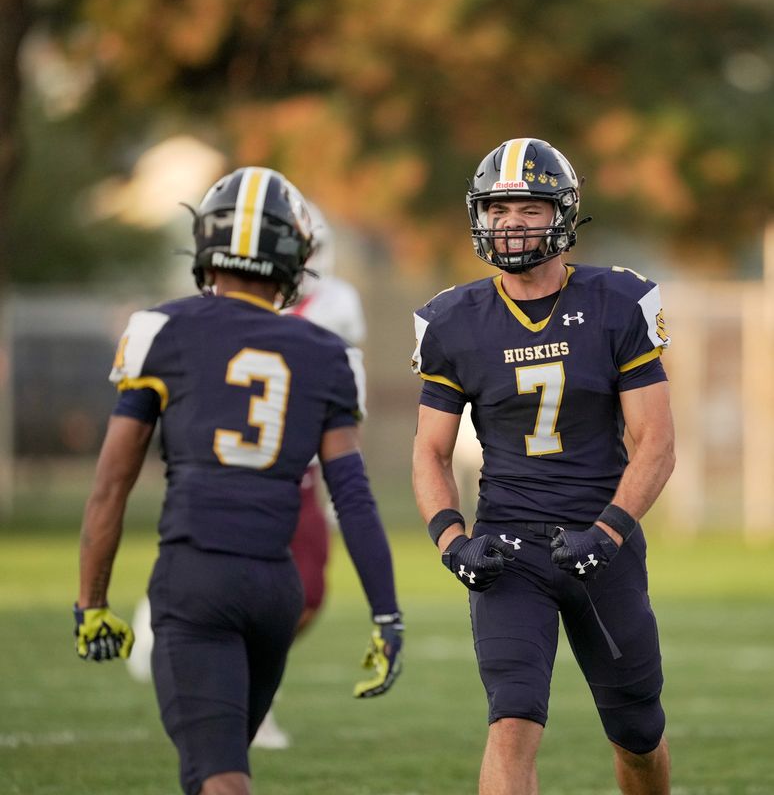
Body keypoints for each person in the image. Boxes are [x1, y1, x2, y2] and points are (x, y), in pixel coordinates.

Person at [74, 166, 403, 795]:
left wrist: (91, 604)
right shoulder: (328, 353)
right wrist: (386, 613)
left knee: (221, 780)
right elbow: (353, 496)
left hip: (197, 580)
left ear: (206, 244)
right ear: (295, 256)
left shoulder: (161, 330)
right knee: (216, 773)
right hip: (275, 590)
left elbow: (110, 484)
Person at [411, 138, 674, 795]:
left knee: (637, 734)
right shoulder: (452, 319)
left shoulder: (619, 302)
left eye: (527, 208)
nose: (511, 224)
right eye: (498, 210)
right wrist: (451, 540)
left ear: (562, 214)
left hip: (602, 542)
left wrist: (609, 531)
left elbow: (657, 442)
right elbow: (430, 451)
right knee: (511, 721)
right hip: (508, 550)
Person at [251, 201, 368, 748]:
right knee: (248, 588)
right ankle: (242, 695)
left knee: (310, 592)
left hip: (308, 468)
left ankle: (252, 685)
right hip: (243, 470)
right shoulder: (232, 302)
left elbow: (350, 397)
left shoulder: (337, 303)